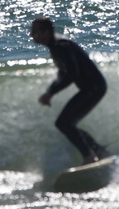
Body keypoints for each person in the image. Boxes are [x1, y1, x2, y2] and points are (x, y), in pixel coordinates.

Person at [30, 16, 110, 165]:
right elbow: (63, 72)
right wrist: (50, 91)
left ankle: (89, 156)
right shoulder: (55, 46)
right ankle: (100, 152)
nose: (32, 35)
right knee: (68, 124)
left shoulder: (62, 46)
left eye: (35, 32)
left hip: (94, 87)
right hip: (93, 87)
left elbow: (72, 74)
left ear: (47, 32)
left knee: (64, 123)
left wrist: (51, 93)